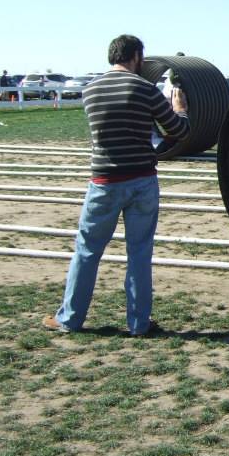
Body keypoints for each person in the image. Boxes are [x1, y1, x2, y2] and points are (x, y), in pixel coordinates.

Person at [43, 34, 189, 336]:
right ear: (135, 56)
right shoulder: (146, 90)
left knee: (87, 250)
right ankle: (138, 323)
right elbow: (177, 130)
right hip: (142, 181)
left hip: (104, 182)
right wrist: (180, 108)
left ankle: (70, 318)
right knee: (138, 252)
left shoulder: (90, 91)